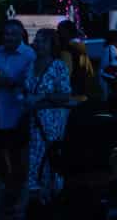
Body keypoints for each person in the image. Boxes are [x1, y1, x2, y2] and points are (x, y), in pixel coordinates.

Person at [0, 18, 36, 211]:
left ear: (21, 35)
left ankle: (17, 193)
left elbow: (32, 83)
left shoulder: (29, 55)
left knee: (17, 157)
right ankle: (8, 187)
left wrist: (11, 82)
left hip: (18, 114)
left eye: (13, 34)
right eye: (6, 33)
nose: (9, 37)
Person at [23, 28, 72, 209]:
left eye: (43, 41)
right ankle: (37, 202)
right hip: (32, 122)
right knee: (34, 162)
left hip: (50, 123)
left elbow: (65, 95)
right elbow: (27, 88)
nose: (39, 44)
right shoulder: (31, 65)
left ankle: (51, 200)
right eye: (37, 40)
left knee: (48, 161)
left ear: (52, 45)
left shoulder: (58, 66)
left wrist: (43, 97)